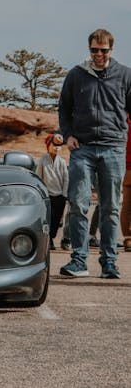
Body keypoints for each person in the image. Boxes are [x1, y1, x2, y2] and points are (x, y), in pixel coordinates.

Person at [58, 28, 131, 278]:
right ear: (89, 49)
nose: (98, 54)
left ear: (111, 50)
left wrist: (121, 135)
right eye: (94, 50)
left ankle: (109, 262)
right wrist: (68, 135)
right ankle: (79, 261)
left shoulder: (125, 75)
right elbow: (64, 109)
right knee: (78, 204)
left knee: (110, 207)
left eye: (103, 50)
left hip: (113, 148)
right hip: (83, 149)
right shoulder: (76, 75)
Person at [36, 132, 68, 250]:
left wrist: (65, 195)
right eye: (53, 145)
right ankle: (49, 240)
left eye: (58, 145)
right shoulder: (43, 160)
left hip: (60, 196)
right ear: (48, 145)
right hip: (47, 195)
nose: (56, 148)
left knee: (56, 220)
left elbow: (66, 179)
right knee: (48, 218)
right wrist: (41, 193)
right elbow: (39, 177)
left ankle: (52, 237)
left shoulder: (62, 162)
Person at [120, 118, 131, 252]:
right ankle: (128, 238)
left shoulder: (122, 122)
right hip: (127, 168)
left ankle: (128, 239)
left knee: (126, 206)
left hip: (125, 168)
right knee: (127, 206)